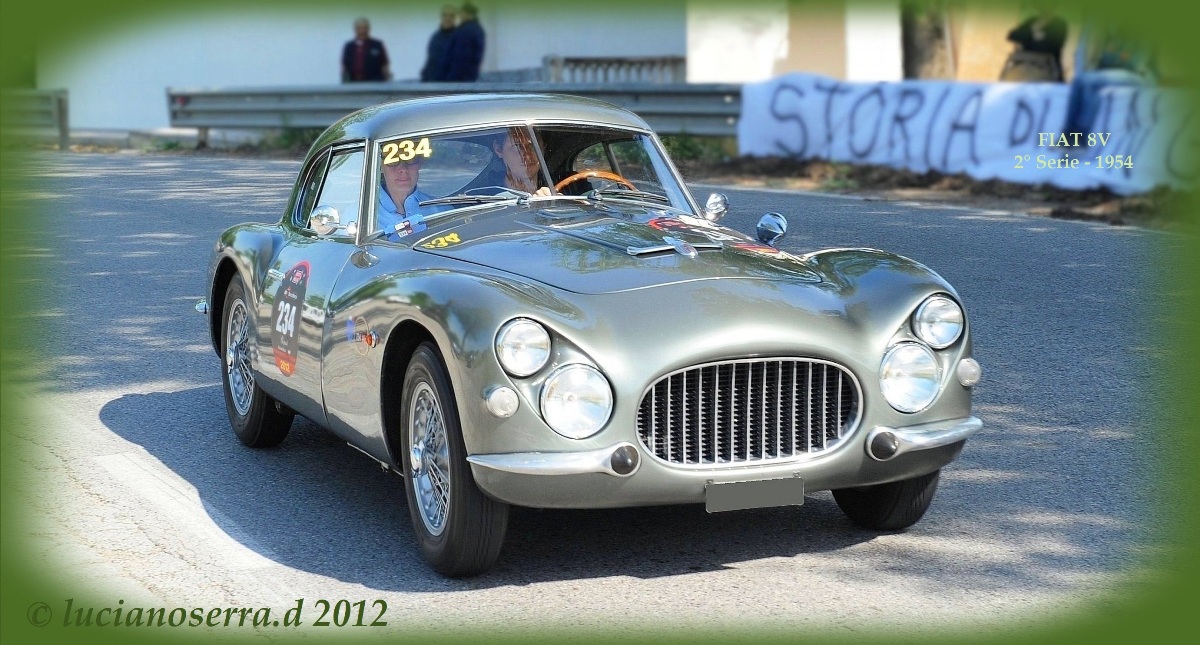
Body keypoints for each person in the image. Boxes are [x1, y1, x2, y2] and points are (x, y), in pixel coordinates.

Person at [377, 155, 446, 241]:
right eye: (393, 160)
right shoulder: (364, 214)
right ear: (380, 165)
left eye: (410, 160)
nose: (403, 169)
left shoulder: (443, 209)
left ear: (419, 163)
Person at [1001, 7, 1068, 82]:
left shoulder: (1059, 23)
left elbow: (1054, 44)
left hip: (1048, 68)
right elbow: (1012, 35)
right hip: (1026, 67)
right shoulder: (1032, 21)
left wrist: (1031, 37)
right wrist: (1033, 33)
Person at [440, 3, 485, 82]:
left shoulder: (466, 31)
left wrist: (450, 77)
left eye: (461, 13)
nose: (460, 15)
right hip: (468, 76)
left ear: (467, 14)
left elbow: (460, 57)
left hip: (458, 78)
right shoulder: (476, 29)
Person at [341, 18, 392, 83]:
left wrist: (387, 80)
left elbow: (385, 64)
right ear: (355, 30)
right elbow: (344, 66)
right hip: (354, 82)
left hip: (374, 83)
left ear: (369, 29)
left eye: (364, 28)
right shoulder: (349, 46)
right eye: (359, 28)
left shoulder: (377, 45)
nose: (362, 31)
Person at [420, 5, 458, 82]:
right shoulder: (435, 38)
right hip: (433, 85)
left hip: (451, 85)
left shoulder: (460, 38)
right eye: (445, 15)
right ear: (441, 17)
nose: (447, 18)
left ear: (455, 18)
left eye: (451, 16)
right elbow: (430, 61)